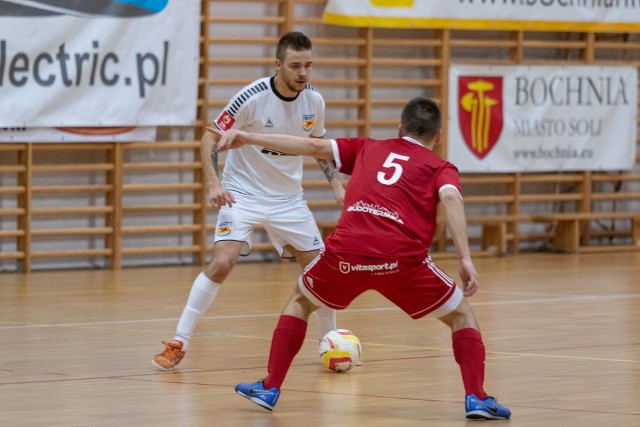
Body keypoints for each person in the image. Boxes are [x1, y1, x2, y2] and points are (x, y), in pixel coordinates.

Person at [212, 97, 511, 420]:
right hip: (402, 260)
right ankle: (477, 398)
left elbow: (309, 147)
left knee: (300, 301)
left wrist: (249, 137)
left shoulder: (368, 147)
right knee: (461, 316)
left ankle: (270, 387)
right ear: (438, 136)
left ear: (399, 128)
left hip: (347, 252)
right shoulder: (440, 167)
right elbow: (450, 196)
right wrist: (464, 257)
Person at [152, 32, 345, 371]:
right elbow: (208, 137)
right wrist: (214, 184)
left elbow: (318, 144)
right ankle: (179, 340)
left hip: (288, 199)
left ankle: (330, 344)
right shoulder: (252, 97)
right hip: (242, 193)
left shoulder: (314, 102)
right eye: (296, 66)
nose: (303, 73)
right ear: (278, 65)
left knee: (321, 271)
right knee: (222, 263)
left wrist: (335, 184)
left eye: (309, 66)